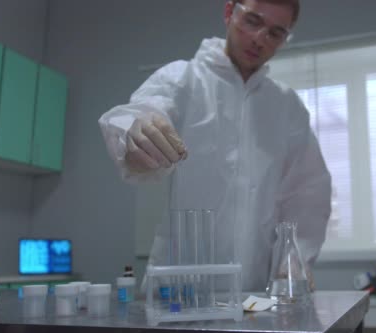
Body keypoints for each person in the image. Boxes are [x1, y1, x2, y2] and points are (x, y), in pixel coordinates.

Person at [98, 0, 331, 291]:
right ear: (229, 12)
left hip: (254, 292)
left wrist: (295, 258)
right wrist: (135, 135)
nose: (260, 38)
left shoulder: (287, 107)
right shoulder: (182, 79)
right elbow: (142, 112)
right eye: (253, 21)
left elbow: (307, 194)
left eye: (275, 32)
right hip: (180, 288)